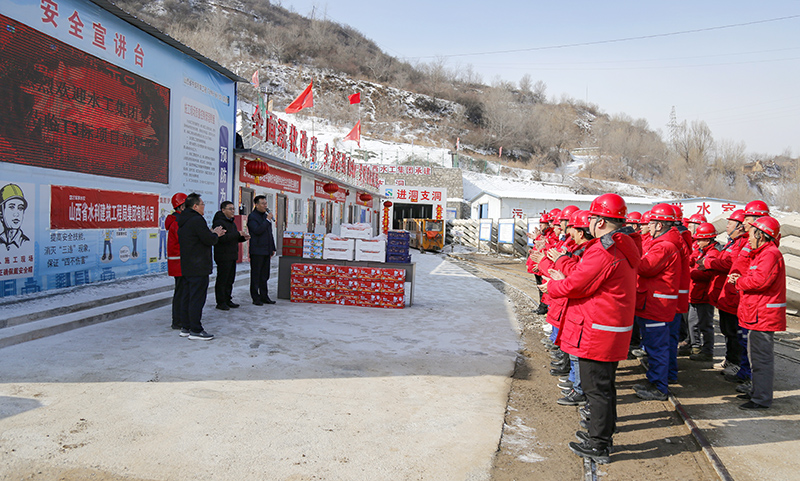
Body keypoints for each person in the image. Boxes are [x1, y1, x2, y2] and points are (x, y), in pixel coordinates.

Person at [541, 193, 641, 465]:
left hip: (597, 330)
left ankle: (598, 443)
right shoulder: (624, 246)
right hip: (610, 327)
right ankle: (603, 434)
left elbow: (576, 284)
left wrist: (552, 286)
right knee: (604, 387)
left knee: (595, 388)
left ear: (599, 222)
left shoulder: (604, 250)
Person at [728, 215, 786, 410]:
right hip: (756, 314)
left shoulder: (770, 254)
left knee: (761, 359)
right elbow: (754, 276)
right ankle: (756, 391)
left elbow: (760, 281)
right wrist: (742, 278)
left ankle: (761, 399)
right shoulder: (761, 254)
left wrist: (739, 281)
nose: (749, 239)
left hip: (763, 316)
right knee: (755, 357)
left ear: (761, 235)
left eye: (752, 234)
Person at [633, 203, 681, 401]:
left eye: (651, 223)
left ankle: (659, 387)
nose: (648, 227)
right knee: (656, 345)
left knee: (657, 347)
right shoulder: (662, 245)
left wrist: (632, 249)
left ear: (660, 225)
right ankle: (656, 380)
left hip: (656, 305)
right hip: (654, 303)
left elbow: (644, 267)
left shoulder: (664, 247)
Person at [698, 209, 748, 378]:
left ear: (740, 226)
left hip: (733, 295)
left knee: (734, 332)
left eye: (730, 223)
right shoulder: (732, 242)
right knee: (727, 330)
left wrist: (709, 262)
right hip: (725, 294)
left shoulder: (741, 243)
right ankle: (730, 359)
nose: (727, 226)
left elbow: (729, 263)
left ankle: (736, 363)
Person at [178, 193, 225, 340]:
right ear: (195, 206)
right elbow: (208, 240)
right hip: (198, 266)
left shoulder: (184, 219)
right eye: (202, 204)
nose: (204, 207)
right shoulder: (197, 220)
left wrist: (210, 233)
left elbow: (197, 237)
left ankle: (186, 327)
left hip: (187, 265)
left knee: (187, 296)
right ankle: (196, 330)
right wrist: (216, 234)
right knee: (197, 298)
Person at [687, 223, 720, 362]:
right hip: (696, 293)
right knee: (692, 321)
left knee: (705, 324)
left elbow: (707, 274)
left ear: (707, 240)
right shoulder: (702, 250)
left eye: (699, 239)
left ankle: (707, 351)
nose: (697, 242)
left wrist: (689, 272)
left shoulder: (713, 253)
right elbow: (692, 259)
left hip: (704, 295)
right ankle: (696, 347)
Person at [213, 201, 250, 310]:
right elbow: (222, 238)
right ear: (223, 210)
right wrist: (237, 234)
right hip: (223, 255)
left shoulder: (231, 223)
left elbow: (233, 237)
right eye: (230, 209)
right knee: (222, 280)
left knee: (230, 279)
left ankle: (227, 299)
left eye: (233, 209)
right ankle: (220, 302)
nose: (233, 211)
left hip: (232, 255)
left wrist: (242, 238)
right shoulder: (219, 223)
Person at [248, 195, 277, 305]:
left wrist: (272, 248)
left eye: (266, 203)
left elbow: (269, 234)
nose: (265, 206)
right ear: (256, 204)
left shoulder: (265, 216)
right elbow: (257, 230)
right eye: (263, 204)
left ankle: (265, 296)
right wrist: (267, 220)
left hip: (266, 250)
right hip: (257, 251)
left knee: (265, 275)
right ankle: (256, 297)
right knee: (256, 275)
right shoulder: (252, 217)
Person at [166, 192, 187, 331]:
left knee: (180, 291)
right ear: (181, 207)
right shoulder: (178, 222)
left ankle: (178, 319)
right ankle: (178, 321)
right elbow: (184, 241)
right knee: (181, 292)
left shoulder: (176, 220)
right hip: (180, 262)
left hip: (179, 262)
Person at [0, 183, 29, 251]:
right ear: (1, 213)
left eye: (20, 208)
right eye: (12, 207)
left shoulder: (26, 242)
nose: (16, 214)